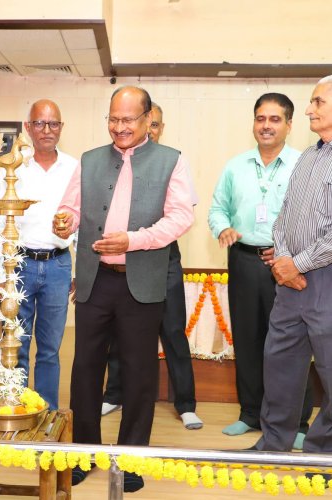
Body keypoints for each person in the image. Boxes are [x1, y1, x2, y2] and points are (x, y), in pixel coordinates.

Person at [55, 86, 194, 493]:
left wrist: (134, 240)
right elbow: (71, 209)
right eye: (113, 119)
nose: (119, 127)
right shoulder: (89, 160)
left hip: (142, 283)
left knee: (139, 374)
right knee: (85, 370)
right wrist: (63, 221)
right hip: (95, 281)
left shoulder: (173, 161)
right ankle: (83, 453)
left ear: (149, 119)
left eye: (128, 120)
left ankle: (133, 458)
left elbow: (180, 218)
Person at [253, 74, 332, 455]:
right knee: (278, 365)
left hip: (331, 279)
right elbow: (285, 215)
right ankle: (274, 443)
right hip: (288, 280)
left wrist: (297, 264)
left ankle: (324, 452)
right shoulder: (308, 156)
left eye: (317, 101)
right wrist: (282, 260)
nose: (309, 109)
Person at [209, 93, 314, 448]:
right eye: (260, 118)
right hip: (242, 260)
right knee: (249, 340)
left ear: (289, 124)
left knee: (291, 344)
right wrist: (222, 227)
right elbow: (216, 209)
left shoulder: (304, 166)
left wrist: (289, 253)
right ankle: (250, 414)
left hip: (285, 265)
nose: (266, 125)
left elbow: (313, 219)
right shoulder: (235, 166)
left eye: (274, 119)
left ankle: (298, 422)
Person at [102, 102, 203, 430]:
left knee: (173, 331)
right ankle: (114, 394)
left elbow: (181, 215)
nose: (153, 130)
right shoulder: (117, 163)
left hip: (164, 261)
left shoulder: (171, 164)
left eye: (157, 125)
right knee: (119, 333)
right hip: (123, 262)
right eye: (150, 124)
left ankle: (185, 403)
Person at [0, 99, 77, 410]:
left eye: (53, 124)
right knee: (17, 344)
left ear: (61, 128)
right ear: (28, 127)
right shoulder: (12, 165)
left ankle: (46, 412)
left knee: (50, 348)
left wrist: (76, 272)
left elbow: (83, 217)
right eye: (39, 123)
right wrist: (0, 277)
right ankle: (19, 408)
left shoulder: (74, 167)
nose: (46, 130)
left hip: (58, 265)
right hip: (19, 265)